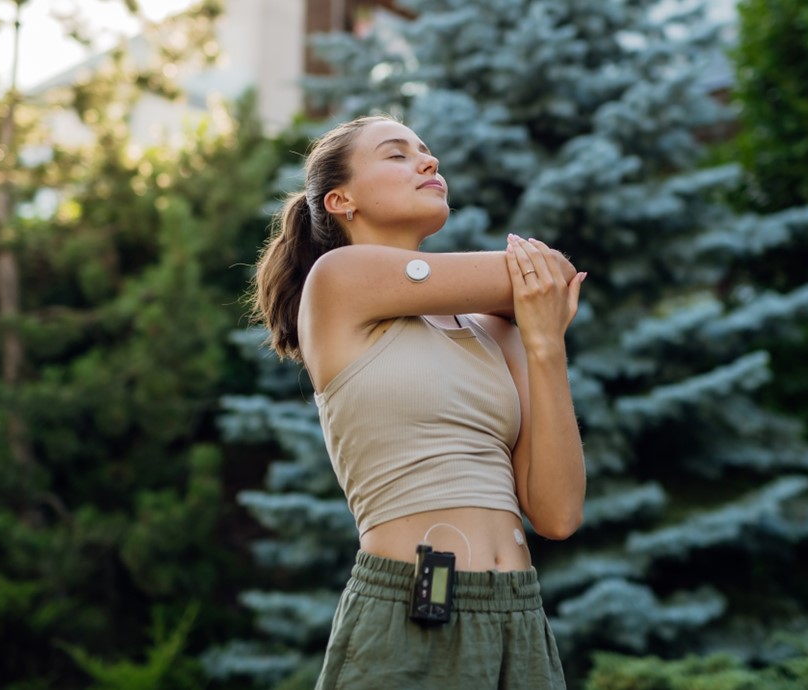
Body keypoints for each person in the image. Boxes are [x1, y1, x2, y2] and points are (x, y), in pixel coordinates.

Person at [250, 114, 587, 689]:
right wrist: (539, 298)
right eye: (397, 154)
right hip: (414, 607)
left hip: (520, 618)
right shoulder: (339, 280)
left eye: (426, 152)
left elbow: (557, 514)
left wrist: (544, 346)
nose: (428, 163)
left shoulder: (495, 329)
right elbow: (539, 274)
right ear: (341, 200)